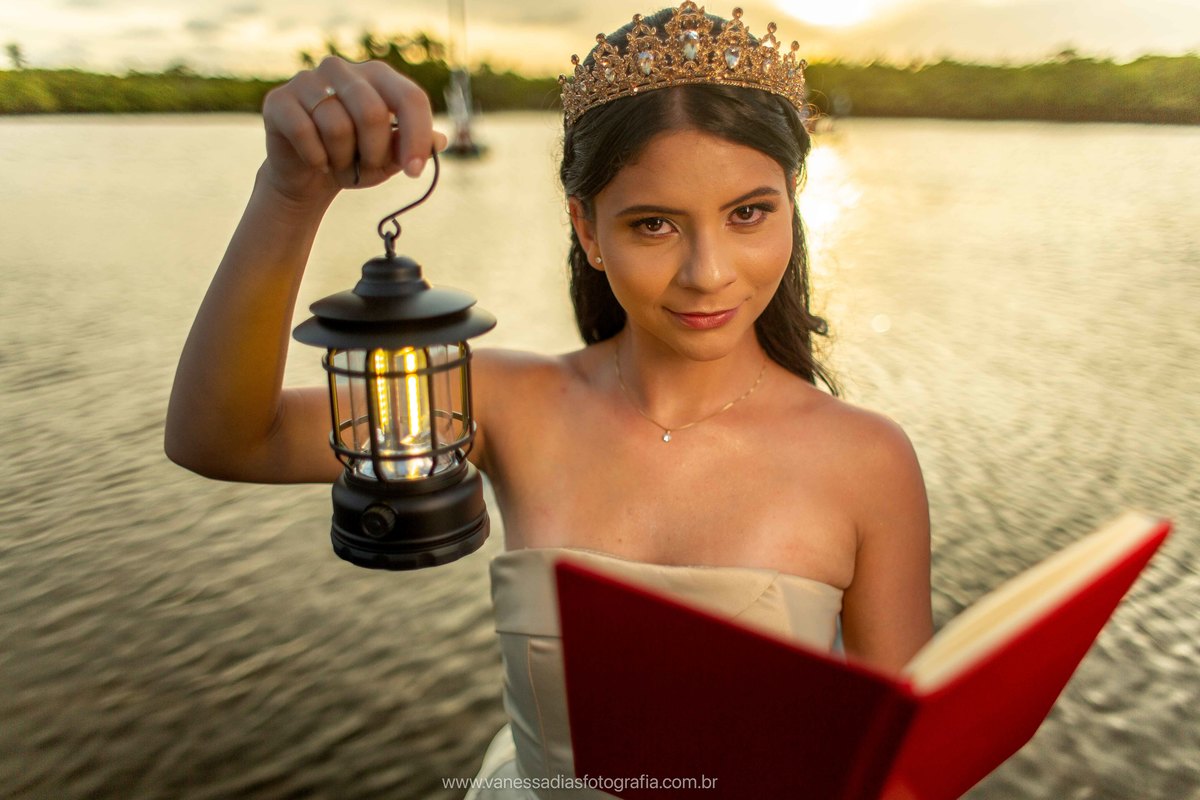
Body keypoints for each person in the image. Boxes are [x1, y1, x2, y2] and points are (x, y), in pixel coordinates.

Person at [165, 2, 932, 796]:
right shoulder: (505, 401)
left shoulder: (867, 460)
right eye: (654, 225)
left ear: (791, 205)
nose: (709, 272)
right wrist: (290, 193)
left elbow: (905, 770)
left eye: (748, 214)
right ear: (588, 228)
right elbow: (223, 438)